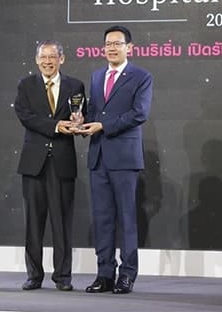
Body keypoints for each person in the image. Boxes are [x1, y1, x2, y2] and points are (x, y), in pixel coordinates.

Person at [79, 25, 153, 295]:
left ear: (129, 48)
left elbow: (139, 113)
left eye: (117, 43)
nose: (111, 48)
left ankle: (127, 275)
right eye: (108, 44)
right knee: (102, 219)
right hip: (98, 157)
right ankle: (104, 274)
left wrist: (103, 126)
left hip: (124, 158)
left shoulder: (141, 77)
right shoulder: (97, 76)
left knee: (126, 219)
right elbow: (94, 111)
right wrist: (83, 121)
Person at [14, 40, 85, 292]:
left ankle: (63, 276)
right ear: (37, 60)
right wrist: (56, 126)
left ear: (61, 59)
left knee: (62, 222)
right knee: (33, 223)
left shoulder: (75, 86)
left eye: (52, 57)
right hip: (34, 164)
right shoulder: (26, 85)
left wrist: (79, 120)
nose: (47, 62)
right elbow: (26, 117)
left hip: (63, 162)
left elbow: (81, 115)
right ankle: (34, 275)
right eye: (43, 57)